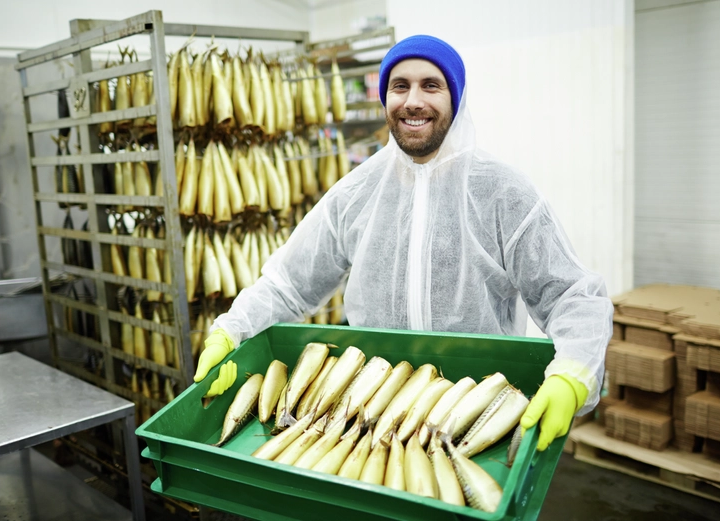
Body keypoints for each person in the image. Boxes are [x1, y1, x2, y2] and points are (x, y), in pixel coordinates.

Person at [194, 35, 613, 451]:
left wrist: (572, 373)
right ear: (385, 98)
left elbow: (571, 295)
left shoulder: (502, 192)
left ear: (456, 98)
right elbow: (288, 283)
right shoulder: (356, 193)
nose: (414, 100)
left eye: (431, 85)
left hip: (477, 411)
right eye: (400, 86)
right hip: (368, 410)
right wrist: (231, 330)